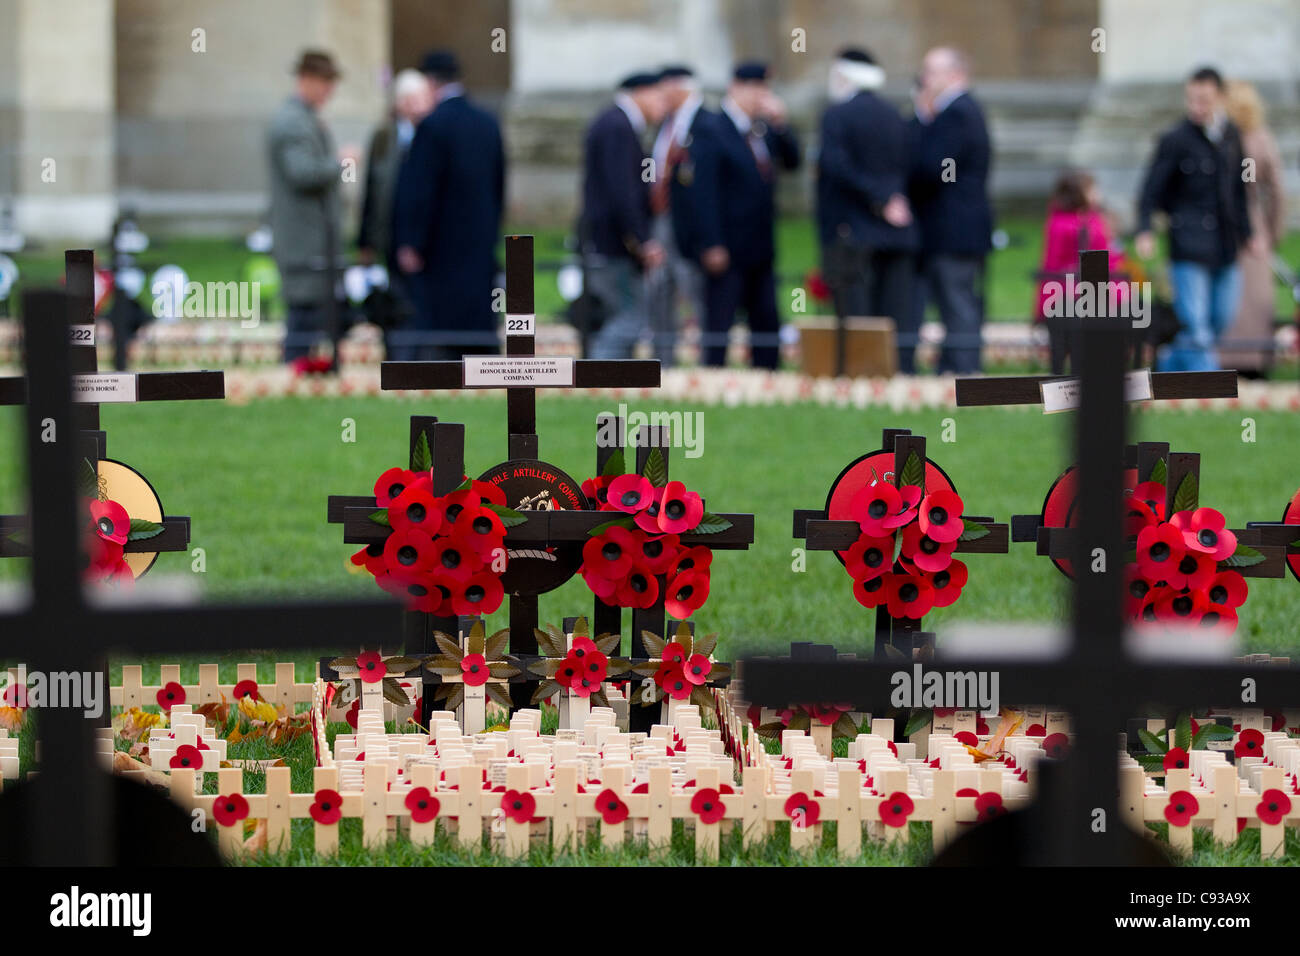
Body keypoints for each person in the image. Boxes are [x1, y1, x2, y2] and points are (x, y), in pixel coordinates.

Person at [1135, 66, 1256, 373]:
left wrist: (1248, 233)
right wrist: (1145, 229)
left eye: (1204, 100)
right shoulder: (1175, 139)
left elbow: (1239, 191)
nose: (1196, 107)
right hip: (1188, 243)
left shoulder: (1232, 137)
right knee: (1197, 325)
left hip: (1226, 244)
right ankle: (1212, 393)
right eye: (1192, 99)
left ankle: (1168, 364)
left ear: (1220, 98)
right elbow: (1151, 189)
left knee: (1218, 320)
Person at [392, 50, 505, 360]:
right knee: (477, 319)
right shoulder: (488, 123)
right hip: (480, 241)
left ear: (430, 82)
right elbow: (498, 186)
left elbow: (420, 191)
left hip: (441, 246)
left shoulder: (432, 126)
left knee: (442, 325)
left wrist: (411, 241)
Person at [692, 61, 800, 369]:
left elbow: (792, 161)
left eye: (765, 89)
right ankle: (712, 375)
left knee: (766, 317)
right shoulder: (712, 127)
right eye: (756, 88)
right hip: (727, 243)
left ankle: (767, 375)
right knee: (720, 318)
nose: (761, 96)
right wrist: (711, 242)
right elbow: (703, 192)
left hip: (759, 245)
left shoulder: (762, 128)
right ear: (736, 88)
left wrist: (781, 124)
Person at [815, 48, 917, 350]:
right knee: (895, 311)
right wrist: (891, 199)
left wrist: (881, 199)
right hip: (896, 228)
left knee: (856, 315)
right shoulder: (896, 114)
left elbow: (837, 167)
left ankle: (861, 371)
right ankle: (899, 370)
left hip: (851, 229)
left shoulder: (836, 115)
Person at [905, 47, 993, 375]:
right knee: (954, 303)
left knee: (957, 304)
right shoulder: (959, 111)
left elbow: (938, 169)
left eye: (932, 71)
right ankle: (955, 366)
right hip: (951, 229)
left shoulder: (957, 112)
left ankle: (964, 371)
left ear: (956, 73)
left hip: (954, 230)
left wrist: (921, 126)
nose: (925, 79)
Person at [266, 49, 348, 362]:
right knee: (303, 312)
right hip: (303, 239)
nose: (329, 92)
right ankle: (296, 371)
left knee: (314, 313)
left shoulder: (303, 119)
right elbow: (302, 173)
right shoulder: (291, 122)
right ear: (307, 80)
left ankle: (306, 369)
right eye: (326, 83)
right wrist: (340, 164)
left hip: (311, 240)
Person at [579, 72, 667, 361]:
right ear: (640, 91)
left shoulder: (614, 123)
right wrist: (641, 240)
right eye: (658, 96)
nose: (662, 105)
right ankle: (599, 379)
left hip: (609, 241)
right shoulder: (618, 127)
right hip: (614, 244)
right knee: (628, 319)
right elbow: (622, 192)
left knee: (622, 317)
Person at [357, 69, 433, 354]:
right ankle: (397, 356)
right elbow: (371, 189)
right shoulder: (383, 137)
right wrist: (365, 242)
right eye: (411, 99)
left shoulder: (434, 134)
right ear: (399, 102)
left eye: (422, 98)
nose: (417, 106)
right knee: (394, 299)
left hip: (422, 237)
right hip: (389, 232)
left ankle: (421, 356)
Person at [1218, 80, 1285, 377]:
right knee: (1254, 296)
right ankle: (1254, 357)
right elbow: (1278, 193)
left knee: (1230, 293)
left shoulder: (1221, 140)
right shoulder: (1262, 139)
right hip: (1255, 226)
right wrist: (1272, 232)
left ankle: (1226, 357)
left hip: (1222, 224)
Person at [646, 65, 709, 368]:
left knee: (694, 290)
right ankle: (664, 362)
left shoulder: (706, 123)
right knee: (659, 290)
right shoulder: (663, 126)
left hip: (691, 225)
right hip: (661, 221)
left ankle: (707, 362)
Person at [1034, 169, 1126, 374]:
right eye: (1093, 190)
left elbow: (1108, 257)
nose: (1098, 195)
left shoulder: (1091, 220)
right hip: (1071, 295)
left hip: (1089, 294)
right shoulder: (1067, 224)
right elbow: (1053, 263)